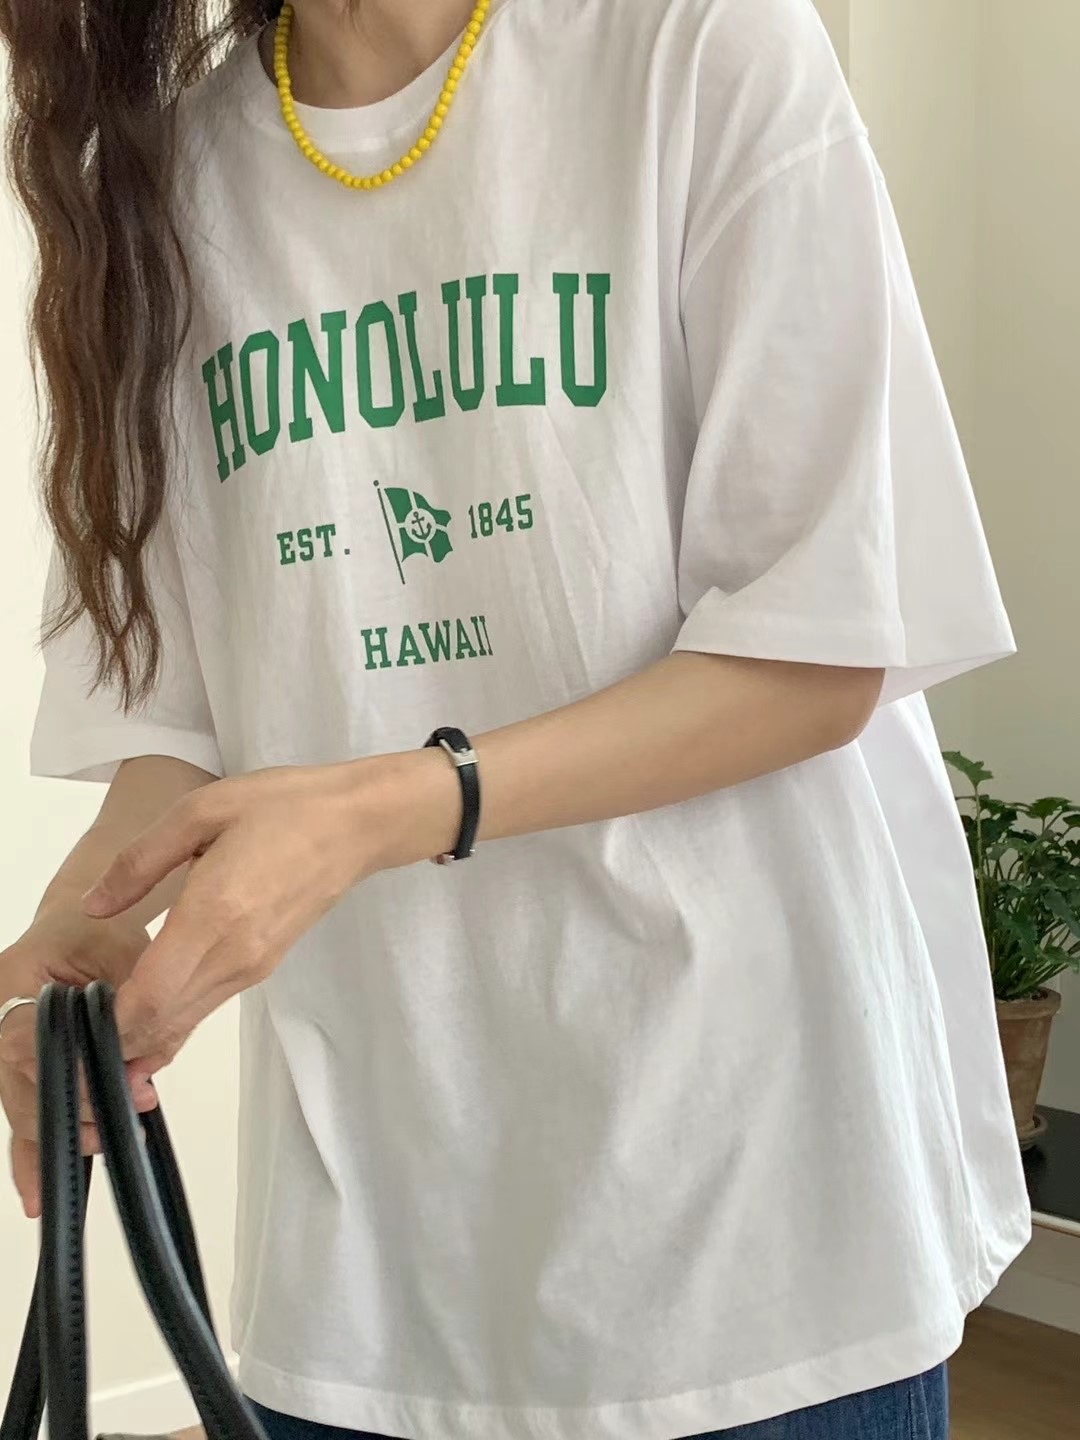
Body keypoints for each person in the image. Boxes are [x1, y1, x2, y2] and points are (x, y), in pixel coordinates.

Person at [0, 0, 1031, 1436]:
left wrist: (386, 809)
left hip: (758, 1231)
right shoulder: (166, 183)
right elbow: (179, 724)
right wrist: (89, 932)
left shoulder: (696, 47)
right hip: (374, 1257)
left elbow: (817, 652)